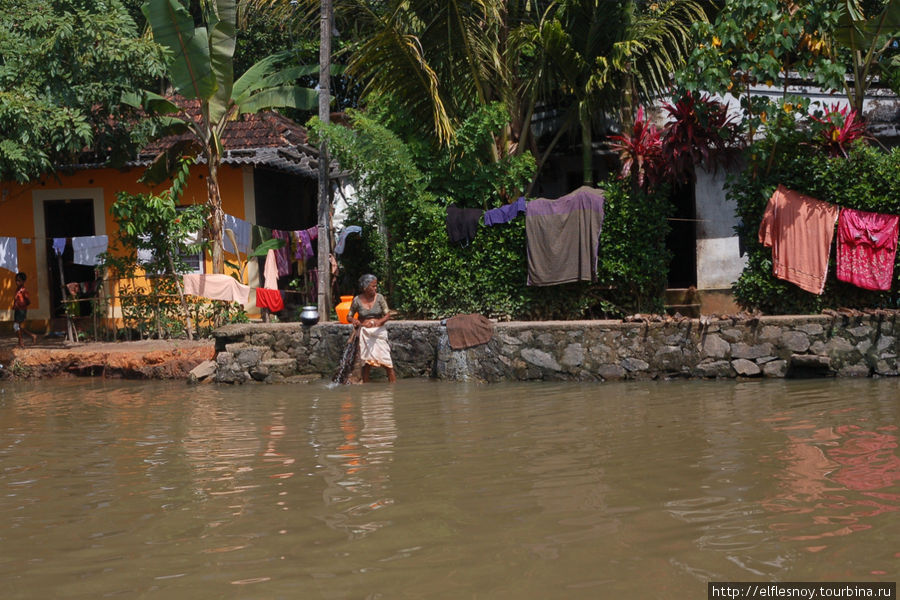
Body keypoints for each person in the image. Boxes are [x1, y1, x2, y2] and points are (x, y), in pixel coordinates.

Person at [348, 274, 396, 383]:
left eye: (376, 286)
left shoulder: (379, 298)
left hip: (379, 332)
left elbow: (387, 314)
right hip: (364, 333)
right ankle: (366, 391)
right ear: (365, 287)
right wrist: (354, 321)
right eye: (373, 286)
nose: (375, 288)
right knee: (366, 364)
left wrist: (379, 322)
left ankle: (393, 389)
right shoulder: (357, 300)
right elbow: (349, 316)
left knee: (388, 363)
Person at [13, 272, 38, 348]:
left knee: (16, 326)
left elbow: (28, 301)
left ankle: (22, 341)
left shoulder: (24, 291)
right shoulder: (18, 290)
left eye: (19, 280)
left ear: (23, 281)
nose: (17, 282)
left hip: (21, 311)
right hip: (17, 310)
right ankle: (29, 337)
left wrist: (21, 306)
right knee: (18, 327)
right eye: (16, 280)